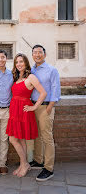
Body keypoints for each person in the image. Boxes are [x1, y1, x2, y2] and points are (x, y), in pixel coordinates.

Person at [6, 53, 47, 177]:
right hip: (14, 111)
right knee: (20, 139)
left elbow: (43, 93)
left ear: (26, 63)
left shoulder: (31, 77)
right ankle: (23, 164)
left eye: (21, 61)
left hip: (24, 111)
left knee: (12, 139)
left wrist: (34, 107)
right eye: (17, 62)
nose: (19, 64)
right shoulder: (16, 77)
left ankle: (24, 164)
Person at [29, 45, 61, 181]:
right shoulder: (32, 69)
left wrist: (49, 107)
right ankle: (38, 160)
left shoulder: (51, 70)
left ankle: (48, 168)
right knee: (37, 135)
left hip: (45, 107)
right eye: (35, 52)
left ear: (45, 54)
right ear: (32, 55)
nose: (37, 55)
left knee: (47, 137)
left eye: (40, 52)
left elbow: (56, 90)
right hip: (34, 106)